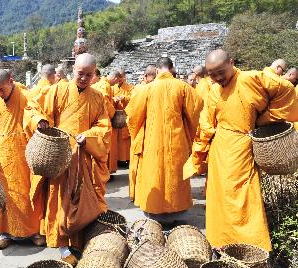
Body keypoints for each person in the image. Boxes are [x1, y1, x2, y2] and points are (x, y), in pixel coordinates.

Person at [184, 49, 297, 250]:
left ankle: (250, 247)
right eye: (212, 75)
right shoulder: (214, 91)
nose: (218, 78)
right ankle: (221, 243)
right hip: (220, 151)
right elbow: (206, 125)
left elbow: (286, 89)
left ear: (231, 62)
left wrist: (265, 119)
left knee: (244, 199)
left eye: (221, 72)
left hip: (243, 149)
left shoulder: (252, 79)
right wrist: (197, 155)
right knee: (220, 200)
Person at [24, 53, 111, 266]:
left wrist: (88, 137)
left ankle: (80, 241)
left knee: (83, 202)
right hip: (59, 156)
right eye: (80, 73)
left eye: (89, 75)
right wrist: (40, 120)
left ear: (94, 75)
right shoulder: (57, 90)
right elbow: (31, 107)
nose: (84, 78)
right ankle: (62, 245)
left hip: (83, 155)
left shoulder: (97, 97)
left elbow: (103, 126)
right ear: (74, 71)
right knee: (59, 201)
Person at [0, 69, 44, 250]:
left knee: (27, 192)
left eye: (2, 89)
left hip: (24, 151)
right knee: (5, 195)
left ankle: (34, 232)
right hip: (2, 154)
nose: (0, 94)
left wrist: (39, 122)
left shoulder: (25, 95)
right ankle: (5, 233)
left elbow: (34, 112)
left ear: (11, 81)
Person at [128, 57, 203, 224]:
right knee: (176, 174)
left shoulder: (146, 89)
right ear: (172, 68)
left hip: (152, 142)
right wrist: (189, 136)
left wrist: (138, 136)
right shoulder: (183, 87)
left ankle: (154, 209)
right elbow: (195, 113)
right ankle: (177, 211)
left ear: (156, 70)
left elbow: (133, 117)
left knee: (154, 173)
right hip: (177, 141)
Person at [127, 65, 156, 201]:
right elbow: (132, 115)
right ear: (146, 76)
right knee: (139, 166)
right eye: (154, 76)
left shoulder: (151, 88)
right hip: (143, 133)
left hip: (149, 133)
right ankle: (138, 194)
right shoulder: (140, 89)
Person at [92, 69, 119, 176]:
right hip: (104, 118)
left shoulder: (100, 84)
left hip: (95, 118)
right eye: (116, 82)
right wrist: (113, 112)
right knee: (106, 145)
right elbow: (105, 101)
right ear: (115, 78)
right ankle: (104, 172)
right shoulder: (105, 85)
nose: (115, 84)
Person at [112, 69, 134, 165]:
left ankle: (126, 158)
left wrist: (124, 98)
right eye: (118, 76)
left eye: (121, 76)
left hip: (125, 115)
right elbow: (109, 98)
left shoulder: (130, 87)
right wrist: (114, 99)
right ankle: (117, 159)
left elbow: (133, 98)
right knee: (116, 139)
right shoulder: (112, 88)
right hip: (115, 115)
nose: (120, 79)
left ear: (124, 76)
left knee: (125, 139)